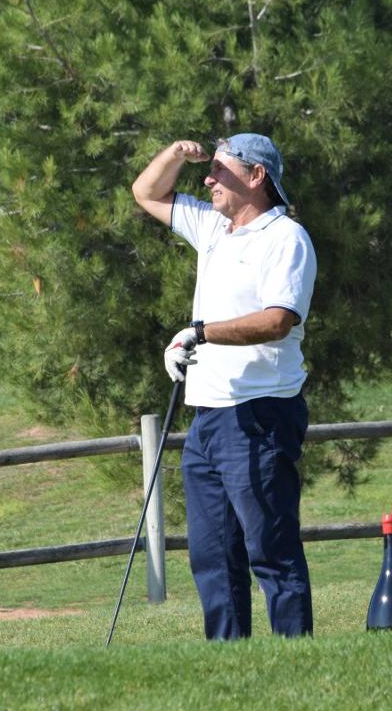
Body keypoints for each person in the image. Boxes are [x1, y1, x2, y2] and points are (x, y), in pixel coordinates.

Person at [131, 133, 317, 640]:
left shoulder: (286, 239)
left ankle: (295, 662)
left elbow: (278, 319)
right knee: (212, 556)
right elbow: (146, 193)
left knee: (270, 552)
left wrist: (199, 333)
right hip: (209, 418)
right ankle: (230, 663)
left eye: (220, 170)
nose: (209, 179)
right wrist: (174, 154)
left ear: (256, 177)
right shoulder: (214, 228)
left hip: (260, 415)